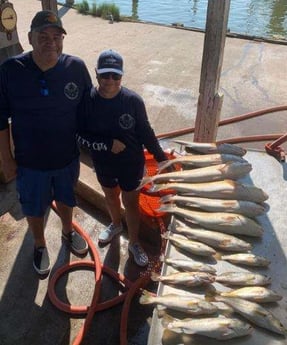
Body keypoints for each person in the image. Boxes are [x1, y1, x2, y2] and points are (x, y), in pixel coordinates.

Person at [0, 10, 92, 276]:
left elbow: (90, 110)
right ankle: (39, 244)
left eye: (56, 36)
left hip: (67, 158)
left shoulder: (76, 67)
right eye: (43, 35)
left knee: (66, 199)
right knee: (33, 207)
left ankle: (67, 231)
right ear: (29, 38)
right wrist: (6, 158)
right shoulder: (9, 70)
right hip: (29, 162)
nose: (50, 41)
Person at [77, 49, 168, 267]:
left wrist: (162, 157)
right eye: (105, 75)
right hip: (103, 162)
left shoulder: (133, 101)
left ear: (122, 76)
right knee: (110, 196)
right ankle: (116, 224)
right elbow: (79, 136)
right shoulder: (86, 100)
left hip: (131, 164)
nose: (110, 81)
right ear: (96, 73)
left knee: (131, 203)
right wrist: (107, 145)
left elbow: (146, 132)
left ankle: (134, 242)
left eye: (115, 76)